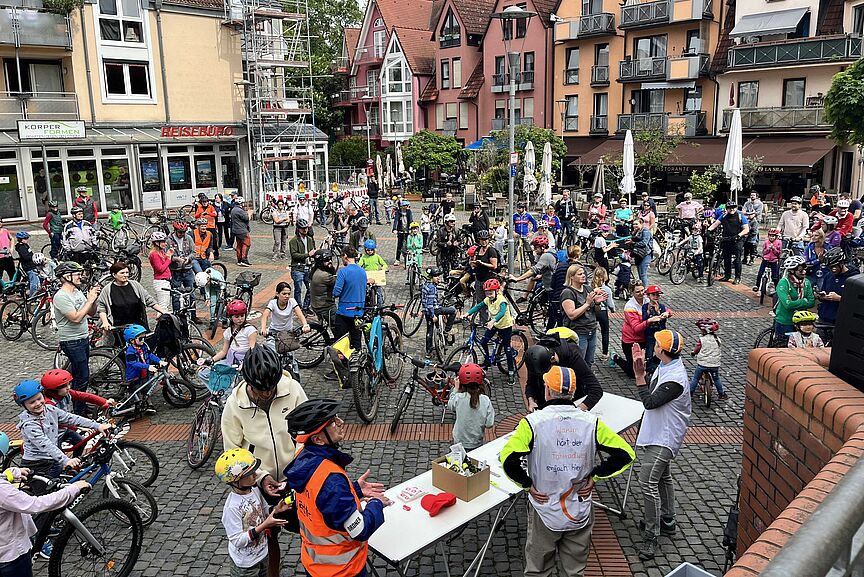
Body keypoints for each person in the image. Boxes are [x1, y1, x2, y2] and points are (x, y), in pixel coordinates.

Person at [500, 365, 635, 577]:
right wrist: (595, 476)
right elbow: (625, 455)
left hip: (544, 507)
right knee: (575, 571)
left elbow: (508, 459)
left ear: (547, 390)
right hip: (579, 508)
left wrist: (527, 485)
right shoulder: (592, 422)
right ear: (573, 392)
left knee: (538, 570)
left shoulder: (532, 423)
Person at [221, 345, 308, 577]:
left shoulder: (293, 390)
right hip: (260, 484)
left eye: (271, 387)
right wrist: (260, 477)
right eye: (261, 389)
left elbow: (307, 433)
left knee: (310, 527)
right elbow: (232, 451)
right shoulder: (234, 405)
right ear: (248, 382)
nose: (267, 393)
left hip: (296, 476)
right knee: (268, 535)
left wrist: (299, 467)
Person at [284, 399, 390, 577]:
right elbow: (359, 530)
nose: (341, 422)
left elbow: (320, 500)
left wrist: (354, 490)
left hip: (315, 565)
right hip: (343, 570)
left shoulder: (304, 457)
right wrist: (376, 504)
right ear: (317, 439)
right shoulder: (331, 480)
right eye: (332, 422)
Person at [631, 330, 691, 560]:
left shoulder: (675, 378)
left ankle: (651, 535)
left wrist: (638, 377)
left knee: (647, 482)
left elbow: (651, 402)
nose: (653, 346)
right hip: (659, 433)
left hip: (664, 437)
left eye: (656, 344)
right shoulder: (666, 367)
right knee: (663, 477)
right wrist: (644, 371)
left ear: (664, 350)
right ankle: (667, 519)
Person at [0, 429, 92, 575]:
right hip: (10, 556)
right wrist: (72, 489)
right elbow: (35, 505)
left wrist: (10, 474)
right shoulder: (2, 490)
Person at [15, 379, 111, 479]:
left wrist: (97, 426)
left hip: (52, 458)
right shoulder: (29, 425)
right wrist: (66, 460)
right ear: (23, 406)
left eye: (39, 398)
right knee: (50, 491)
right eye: (32, 402)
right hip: (39, 463)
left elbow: (71, 418)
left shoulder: (50, 409)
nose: (38, 403)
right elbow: (46, 444)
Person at [216, 448, 289, 577]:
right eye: (250, 473)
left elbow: (264, 509)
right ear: (236, 480)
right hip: (245, 564)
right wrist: (265, 525)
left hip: (262, 554)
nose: (256, 475)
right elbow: (237, 540)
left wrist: (275, 509)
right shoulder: (232, 507)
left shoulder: (254, 489)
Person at [53, 261, 100, 415]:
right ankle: (78, 411)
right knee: (82, 377)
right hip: (72, 341)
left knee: (80, 374)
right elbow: (76, 318)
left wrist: (94, 300)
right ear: (67, 276)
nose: (81, 276)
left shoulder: (77, 292)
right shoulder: (61, 296)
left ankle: (78, 405)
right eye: (78, 274)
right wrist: (89, 301)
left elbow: (91, 313)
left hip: (83, 338)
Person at [524, 331, 604, 412]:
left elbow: (596, 390)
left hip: (572, 399)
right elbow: (531, 384)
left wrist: (577, 411)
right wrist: (531, 401)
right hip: (545, 399)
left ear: (552, 359)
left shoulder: (573, 355)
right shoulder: (535, 358)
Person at [465, 278, 516, 383]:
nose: (489, 295)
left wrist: (493, 320)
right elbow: (479, 306)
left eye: (491, 293)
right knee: (484, 341)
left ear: (497, 291)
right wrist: (468, 313)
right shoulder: (488, 299)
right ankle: (488, 360)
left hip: (505, 326)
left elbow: (502, 313)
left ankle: (511, 372)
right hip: (495, 324)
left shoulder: (502, 301)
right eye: (487, 293)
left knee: (507, 350)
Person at [97, 260, 166, 336]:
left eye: (127, 273)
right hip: (119, 328)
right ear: (114, 274)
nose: (125, 275)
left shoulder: (135, 285)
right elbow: (101, 307)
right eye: (122, 273)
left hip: (138, 326)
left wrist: (163, 312)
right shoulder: (107, 290)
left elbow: (149, 300)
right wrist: (105, 321)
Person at [560, 263, 606, 366]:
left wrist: (597, 303)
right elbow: (571, 315)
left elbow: (596, 313)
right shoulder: (568, 293)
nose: (583, 275)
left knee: (589, 362)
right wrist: (587, 303)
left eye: (583, 273)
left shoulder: (588, 289)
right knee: (578, 363)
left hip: (592, 330)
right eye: (580, 274)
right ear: (571, 277)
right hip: (578, 332)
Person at [448, 364, 494, 451]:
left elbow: (450, 405)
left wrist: (455, 389)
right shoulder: (485, 400)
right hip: (476, 443)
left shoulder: (459, 398)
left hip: (459, 442)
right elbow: (489, 424)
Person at [817, 247, 858, 342]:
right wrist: (822, 296)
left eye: (835, 266)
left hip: (841, 321)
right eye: (830, 267)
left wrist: (839, 298)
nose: (832, 269)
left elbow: (857, 302)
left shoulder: (854, 278)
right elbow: (823, 291)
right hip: (824, 319)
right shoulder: (829, 276)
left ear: (842, 263)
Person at [259, 282, 310, 356]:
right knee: (273, 355)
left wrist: (305, 324)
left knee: (291, 358)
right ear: (277, 294)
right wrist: (263, 328)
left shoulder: (292, 302)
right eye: (284, 294)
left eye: (289, 294)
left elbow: (300, 314)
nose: (287, 296)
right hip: (274, 333)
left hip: (288, 333)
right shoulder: (273, 303)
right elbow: (265, 315)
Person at [122, 324, 163, 413]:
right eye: (140, 338)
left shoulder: (144, 346)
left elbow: (150, 355)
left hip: (144, 375)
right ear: (132, 340)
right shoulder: (130, 352)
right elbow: (134, 364)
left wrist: (159, 361)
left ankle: (148, 403)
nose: (143, 340)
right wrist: (148, 367)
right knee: (134, 392)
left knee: (147, 389)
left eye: (144, 337)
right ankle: (132, 407)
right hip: (135, 377)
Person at [332, 246, 366, 350]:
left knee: (341, 341)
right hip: (359, 311)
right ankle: (356, 360)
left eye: (342, 256)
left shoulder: (343, 272)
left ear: (345, 256)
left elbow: (336, 292)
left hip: (344, 312)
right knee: (356, 339)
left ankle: (342, 363)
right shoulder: (362, 271)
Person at [774, 255, 815, 341]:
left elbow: (811, 302)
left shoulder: (806, 282)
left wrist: (794, 303)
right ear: (792, 271)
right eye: (800, 270)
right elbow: (787, 305)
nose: (804, 272)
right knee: (783, 348)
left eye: (805, 269)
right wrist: (804, 301)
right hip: (785, 321)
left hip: (802, 322)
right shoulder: (784, 283)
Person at [707, 202, 749, 285]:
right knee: (726, 259)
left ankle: (737, 277)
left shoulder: (740, 216)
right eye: (730, 207)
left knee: (737, 260)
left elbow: (746, 229)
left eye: (733, 207)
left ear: (736, 208)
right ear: (727, 209)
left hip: (737, 240)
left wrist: (739, 235)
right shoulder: (724, 216)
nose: (732, 209)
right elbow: (715, 224)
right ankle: (727, 275)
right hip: (726, 239)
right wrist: (708, 230)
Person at [612, 281, 648, 378]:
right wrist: (649, 321)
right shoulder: (629, 306)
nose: (641, 294)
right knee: (632, 373)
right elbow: (636, 328)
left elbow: (663, 309)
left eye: (642, 290)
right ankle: (616, 358)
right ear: (631, 292)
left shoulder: (647, 300)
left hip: (644, 338)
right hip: (631, 340)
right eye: (637, 292)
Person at [510, 235, 557, 306]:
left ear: (543, 247)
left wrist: (517, 279)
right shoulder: (551, 252)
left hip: (551, 288)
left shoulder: (546, 256)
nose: (534, 250)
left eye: (536, 247)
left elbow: (533, 270)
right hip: (550, 283)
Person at [167, 221, 199, 321]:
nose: (182, 234)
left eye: (184, 232)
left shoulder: (188, 238)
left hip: (188, 270)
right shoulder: (168, 240)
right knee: (176, 295)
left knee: (191, 294)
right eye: (180, 232)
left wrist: (188, 258)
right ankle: (177, 318)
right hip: (175, 271)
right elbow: (166, 256)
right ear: (175, 230)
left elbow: (193, 252)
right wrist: (176, 259)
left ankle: (193, 316)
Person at [209, 300, 258, 366]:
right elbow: (224, 351)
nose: (240, 319)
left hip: (247, 360)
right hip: (231, 360)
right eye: (236, 317)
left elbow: (252, 350)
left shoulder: (250, 330)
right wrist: (211, 360)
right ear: (231, 317)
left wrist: (244, 365)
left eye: (242, 315)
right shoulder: (228, 331)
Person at [421, 267, 457, 358]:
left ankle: (428, 351)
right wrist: (433, 315)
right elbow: (430, 304)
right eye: (436, 276)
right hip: (434, 310)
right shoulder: (432, 288)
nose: (438, 278)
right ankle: (447, 331)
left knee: (429, 331)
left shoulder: (425, 285)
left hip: (426, 312)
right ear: (431, 277)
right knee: (453, 311)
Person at [689, 319, 726, 400]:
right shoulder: (717, 339)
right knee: (716, 379)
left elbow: (697, 349)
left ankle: (690, 392)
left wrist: (693, 352)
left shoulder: (702, 340)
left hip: (702, 365)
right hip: (714, 364)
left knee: (695, 378)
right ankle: (722, 394)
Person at [469, 230, 499, 323]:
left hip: (488, 280)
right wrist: (473, 263)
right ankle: (483, 321)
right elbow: (474, 261)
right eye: (482, 240)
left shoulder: (491, 251)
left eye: (485, 239)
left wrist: (482, 263)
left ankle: (495, 320)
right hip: (479, 278)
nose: (484, 241)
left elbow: (494, 266)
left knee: (492, 301)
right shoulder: (478, 250)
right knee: (481, 301)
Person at [642, 285, 672, 374]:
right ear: (648, 296)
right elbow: (644, 319)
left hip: (660, 334)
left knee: (663, 351)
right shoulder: (645, 307)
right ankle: (648, 370)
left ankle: (661, 366)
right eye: (653, 295)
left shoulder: (662, 306)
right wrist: (649, 314)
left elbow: (665, 318)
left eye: (657, 295)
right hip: (650, 334)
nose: (656, 297)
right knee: (649, 353)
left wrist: (662, 313)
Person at [288, 219, 316, 311]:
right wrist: (308, 254)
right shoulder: (293, 241)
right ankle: (298, 308)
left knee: (311, 288)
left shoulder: (309, 239)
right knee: (298, 290)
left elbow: (313, 251)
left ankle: (306, 307)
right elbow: (294, 255)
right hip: (298, 268)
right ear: (298, 229)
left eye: (306, 228)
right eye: (303, 228)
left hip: (308, 267)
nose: (305, 230)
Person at [309, 250, 337, 329]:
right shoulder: (325, 276)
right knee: (338, 326)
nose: (330, 261)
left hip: (316, 304)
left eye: (330, 259)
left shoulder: (315, 271)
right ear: (320, 262)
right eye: (327, 260)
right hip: (325, 306)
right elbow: (338, 283)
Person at [592, 266, 615, 361]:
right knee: (605, 332)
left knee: (592, 332)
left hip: (593, 311)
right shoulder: (606, 289)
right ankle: (605, 354)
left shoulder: (591, 287)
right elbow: (610, 304)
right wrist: (613, 309)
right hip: (602, 311)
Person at [148, 231, 172, 312]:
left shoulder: (161, 252)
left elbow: (163, 261)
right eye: (162, 242)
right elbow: (160, 269)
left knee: (165, 305)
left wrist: (168, 255)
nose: (165, 244)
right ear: (156, 243)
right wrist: (169, 259)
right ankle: (161, 323)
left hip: (166, 280)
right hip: (161, 282)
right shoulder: (154, 254)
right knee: (163, 307)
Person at [359, 239, 387, 307]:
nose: (370, 252)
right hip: (368, 276)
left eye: (371, 250)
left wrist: (383, 268)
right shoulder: (363, 257)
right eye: (368, 250)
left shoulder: (377, 257)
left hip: (376, 276)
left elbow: (384, 264)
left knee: (379, 292)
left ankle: (380, 305)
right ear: (365, 250)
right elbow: (359, 265)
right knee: (364, 291)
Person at [753, 227, 782, 293]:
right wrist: (768, 249)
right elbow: (764, 252)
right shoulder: (766, 242)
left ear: (776, 237)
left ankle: (776, 288)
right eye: (770, 236)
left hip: (774, 261)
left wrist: (774, 249)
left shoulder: (778, 243)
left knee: (775, 276)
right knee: (760, 273)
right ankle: (757, 286)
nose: (771, 237)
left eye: (773, 236)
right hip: (766, 260)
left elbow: (778, 253)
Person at [14, 232, 38, 297]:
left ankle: (26, 293)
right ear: (21, 239)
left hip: (31, 265)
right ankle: (33, 297)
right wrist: (34, 257)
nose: (27, 239)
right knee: (34, 283)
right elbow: (26, 257)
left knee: (32, 280)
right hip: (29, 266)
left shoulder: (25, 245)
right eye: (26, 238)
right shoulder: (21, 248)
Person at [742, 191, 764, 265]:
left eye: (754, 195)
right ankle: (745, 258)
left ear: (756, 196)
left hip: (755, 222)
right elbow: (743, 211)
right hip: (746, 221)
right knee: (745, 240)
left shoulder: (760, 204)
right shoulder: (747, 203)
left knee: (752, 241)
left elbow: (756, 213)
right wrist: (750, 214)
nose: (752, 196)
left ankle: (752, 259)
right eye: (751, 195)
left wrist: (750, 214)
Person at [631, 218, 653, 287]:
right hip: (638, 254)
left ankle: (646, 290)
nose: (635, 226)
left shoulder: (645, 231)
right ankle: (642, 289)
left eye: (636, 224)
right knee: (640, 274)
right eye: (633, 224)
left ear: (641, 224)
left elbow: (644, 243)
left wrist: (633, 243)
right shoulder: (636, 231)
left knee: (643, 274)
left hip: (646, 254)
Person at [231, 197, 252, 266]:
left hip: (236, 230)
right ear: (241, 203)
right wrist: (249, 214)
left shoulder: (234, 209)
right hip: (242, 230)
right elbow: (247, 218)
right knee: (246, 244)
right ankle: (244, 259)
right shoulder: (240, 211)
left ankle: (239, 259)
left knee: (239, 245)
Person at [392, 201, 413, 266]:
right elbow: (396, 220)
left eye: (407, 205)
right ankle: (397, 259)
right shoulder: (398, 212)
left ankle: (409, 259)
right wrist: (394, 229)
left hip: (407, 230)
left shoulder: (409, 212)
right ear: (402, 206)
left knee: (409, 245)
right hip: (400, 230)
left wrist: (411, 228)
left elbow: (411, 220)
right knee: (399, 245)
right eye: (405, 205)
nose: (406, 207)